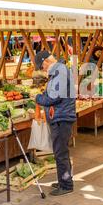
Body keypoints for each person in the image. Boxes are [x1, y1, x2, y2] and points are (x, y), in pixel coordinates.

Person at [34, 51, 76, 196]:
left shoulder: (60, 72)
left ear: (45, 61)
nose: (43, 70)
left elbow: (54, 97)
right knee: (61, 152)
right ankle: (64, 180)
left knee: (61, 153)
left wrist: (38, 98)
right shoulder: (59, 71)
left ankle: (66, 185)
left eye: (42, 67)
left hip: (61, 117)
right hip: (60, 116)